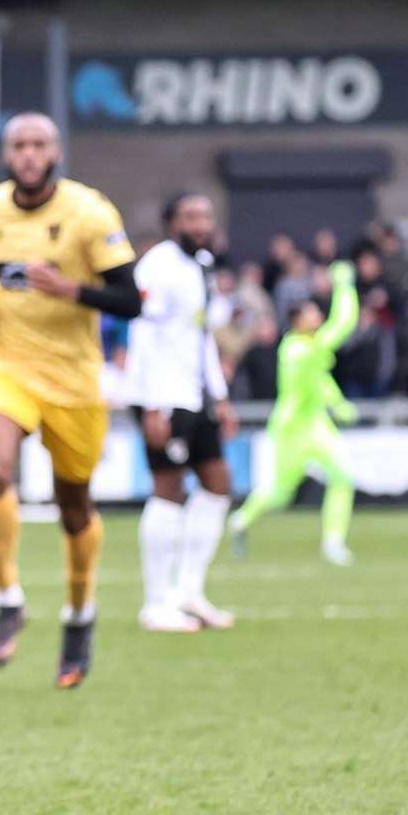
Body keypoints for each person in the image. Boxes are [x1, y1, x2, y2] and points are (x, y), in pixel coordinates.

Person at [0, 112, 140, 687]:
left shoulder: (90, 213)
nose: (30, 154)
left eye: (39, 144)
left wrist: (72, 291)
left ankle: (80, 613)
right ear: (7, 155)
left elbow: (131, 300)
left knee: (74, 506)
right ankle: (9, 599)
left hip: (74, 380)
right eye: (19, 145)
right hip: (6, 364)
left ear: (55, 152)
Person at [123, 193, 239, 633]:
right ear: (172, 222)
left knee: (218, 483)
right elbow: (144, 331)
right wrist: (151, 404)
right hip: (163, 396)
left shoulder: (203, 264)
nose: (200, 224)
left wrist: (221, 395)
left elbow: (202, 335)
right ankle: (156, 604)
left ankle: (189, 591)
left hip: (195, 394)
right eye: (191, 217)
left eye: (205, 216)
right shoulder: (158, 266)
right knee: (168, 488)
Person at [229, 262, 360, 566]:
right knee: (279, 495)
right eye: (312, 313)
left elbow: (319, 382)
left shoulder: (308, 348)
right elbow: (344, 323)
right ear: (297, 320)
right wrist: (344, 286)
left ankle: (333, 542)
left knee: (342, 476)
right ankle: (240, 520)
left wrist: (337, 404)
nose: (317, 316)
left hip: (315, 422)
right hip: (291, 427)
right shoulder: (297, 350)